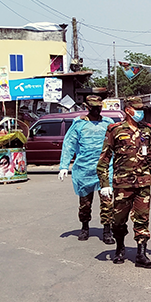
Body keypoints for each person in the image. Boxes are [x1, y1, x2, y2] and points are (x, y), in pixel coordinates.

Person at [97, 96, 151, 268]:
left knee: (142, 218)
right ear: (128, 110)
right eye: (137, 109)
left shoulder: (147, 131)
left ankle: (141, 253)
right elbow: (104, 159)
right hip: (122, 184)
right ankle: (119, 248)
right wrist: (104, 184)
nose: (140, 112)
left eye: (142, 109)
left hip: (142, 183)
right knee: (118, 220)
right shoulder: (115, 130)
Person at [59, 95, 115, 244]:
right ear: (88, 108)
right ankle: (85, 227)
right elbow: (69, 144)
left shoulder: (108, 123)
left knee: (107, 201)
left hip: (105, 168)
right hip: (84, 169)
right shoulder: (79, 124)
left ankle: (107, 230)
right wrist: (64, 166)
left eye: (99, 107)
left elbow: (116, 144)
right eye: (94, 108)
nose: (97, 110)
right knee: (85, 202)